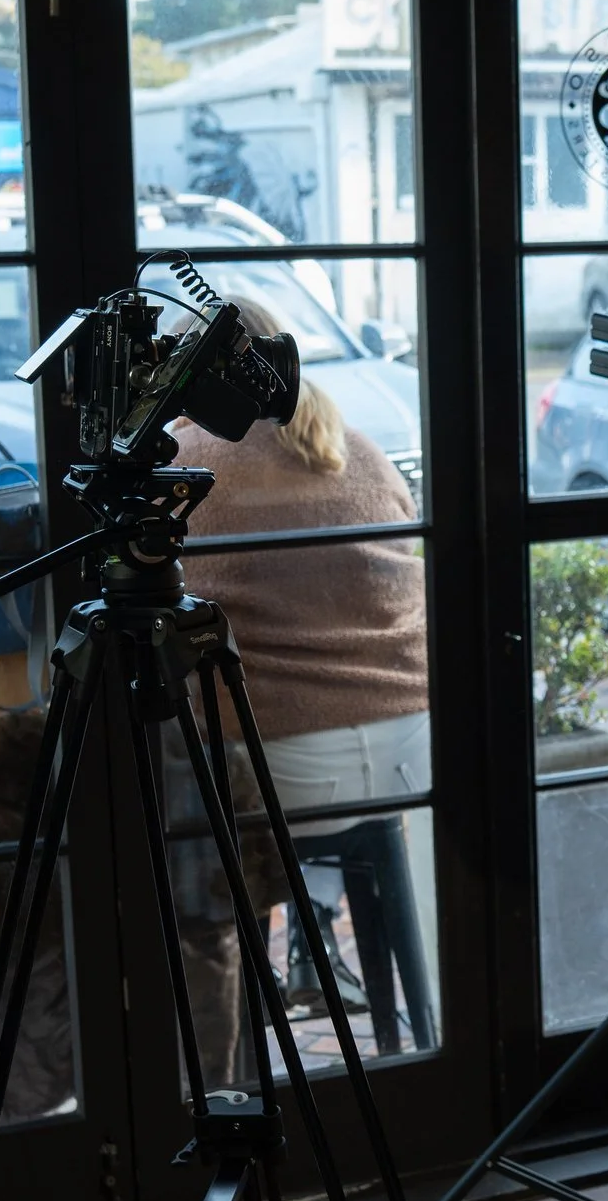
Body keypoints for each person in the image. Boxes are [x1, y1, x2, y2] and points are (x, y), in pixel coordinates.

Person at [170, 298, 431, 1017]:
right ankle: (314, 932)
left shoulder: (185, 466)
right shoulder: (357, 446)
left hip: (280, 774)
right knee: (270, 724)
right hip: (413, 751)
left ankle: (232, 997)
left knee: (181, 747)